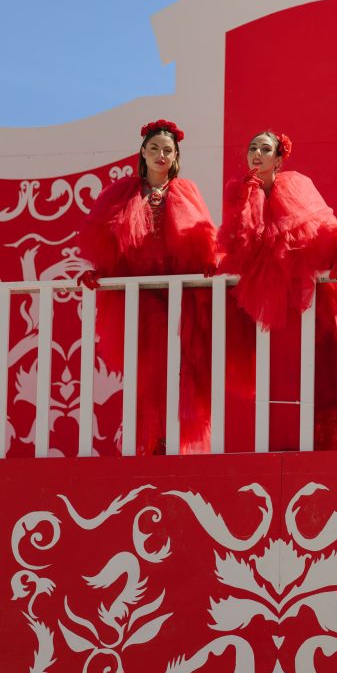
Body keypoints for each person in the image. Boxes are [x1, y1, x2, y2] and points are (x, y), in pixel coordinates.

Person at [78, 119, 217, 455]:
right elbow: (110, 242)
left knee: (185, 368)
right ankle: (153, 443)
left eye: (167, 150)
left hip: (181, 294)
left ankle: (178, 444)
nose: (160, 155)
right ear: (142, 151)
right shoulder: (122, 193)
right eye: (154, 148)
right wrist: (100, 272)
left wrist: (211, 261)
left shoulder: (186, 191)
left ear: (175, 156)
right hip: (143, 297)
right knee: (150, 370)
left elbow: (203, 237)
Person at [217, 131, 337, 451]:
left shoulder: (294, 185)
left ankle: (324, 447)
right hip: (264, 305)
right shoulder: (239, 191)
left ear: (278, 159)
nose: (257, 154)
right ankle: (279, 446)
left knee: (320, 372)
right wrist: (248, 200)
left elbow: (318, 235)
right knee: (277, 376)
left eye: (265, 149)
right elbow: (237, 245)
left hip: (302, 299)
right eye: (252, 149)